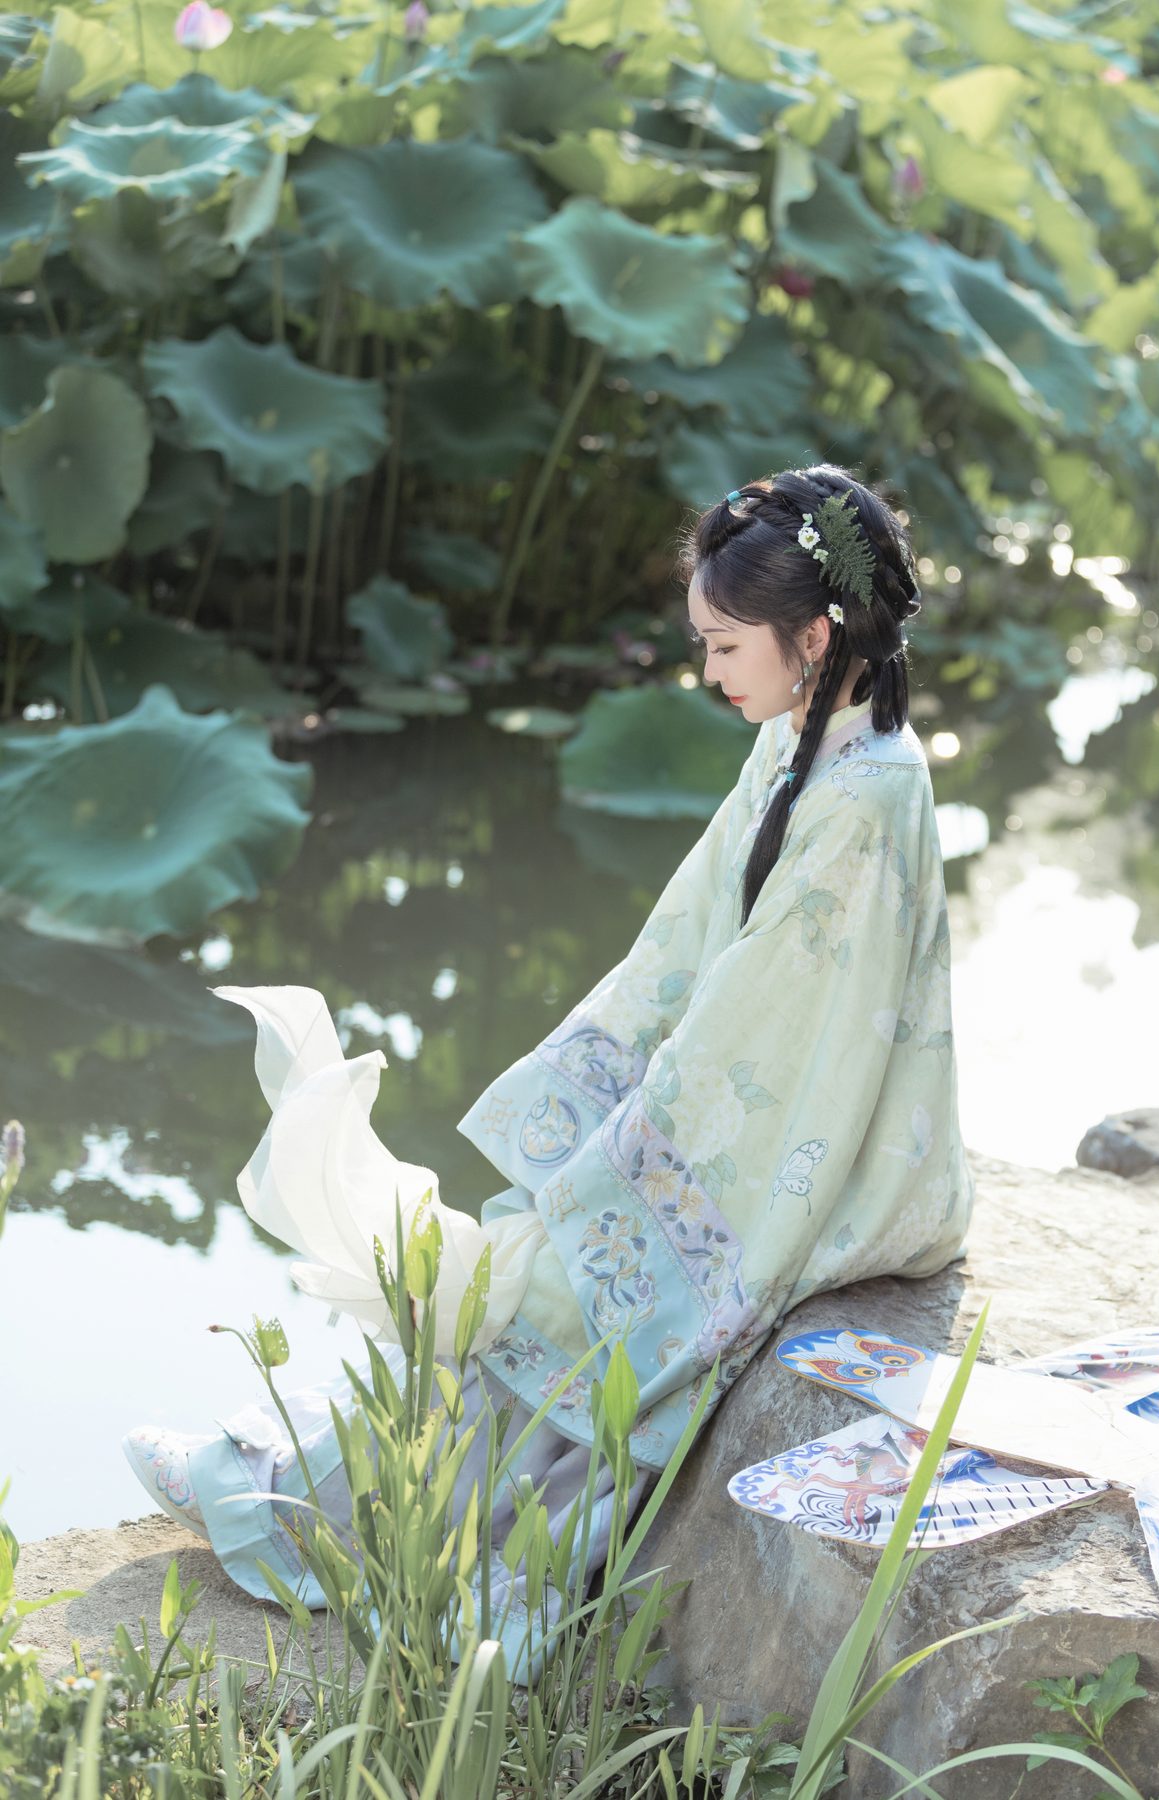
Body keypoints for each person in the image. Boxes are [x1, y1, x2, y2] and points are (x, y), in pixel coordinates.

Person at [122, 462, 974, 1668]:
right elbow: (685, 946)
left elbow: (772, 1033)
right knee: (549, 1238)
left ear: (817, 635)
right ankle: (334, 1488)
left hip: (832, 1162)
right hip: (777, 1109)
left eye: (725, 647)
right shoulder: (803, 738)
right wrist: (589, 1104)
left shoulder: (868, 794)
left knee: (568, 1278)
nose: (710, 672)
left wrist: (618, 1172)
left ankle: (324, 1509)